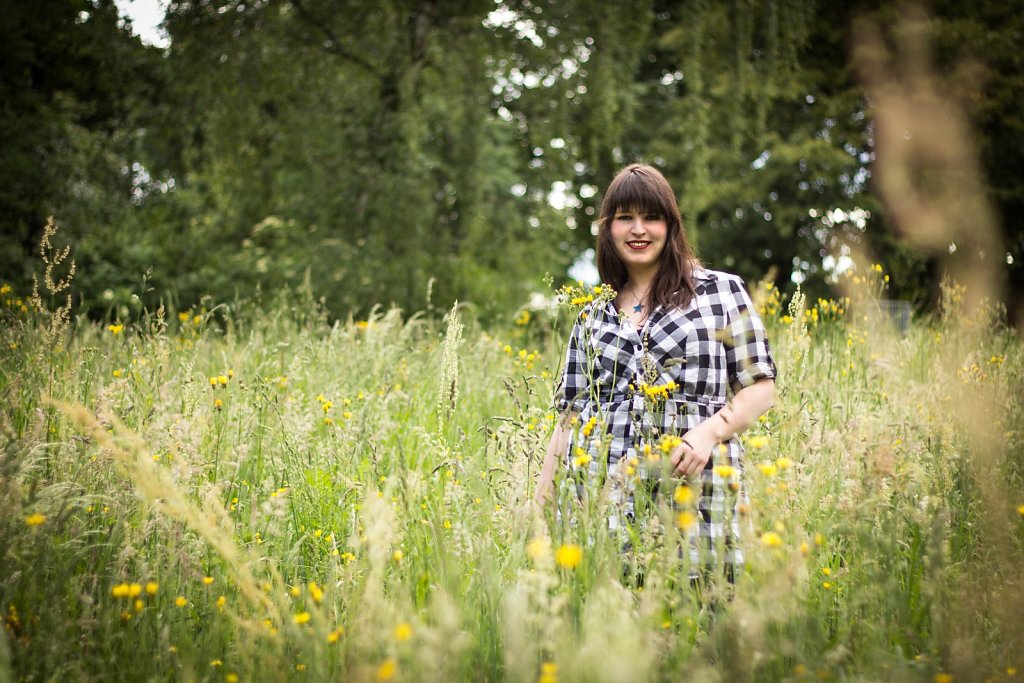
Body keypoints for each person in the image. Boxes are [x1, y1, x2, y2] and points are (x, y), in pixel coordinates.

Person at [535, 163, 776, 582]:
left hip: (700, 485)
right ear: (608, 229)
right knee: (617, 624)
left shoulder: (721, 292)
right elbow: (569, 418)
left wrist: (708, 432)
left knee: (703, 612)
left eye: (651, 217)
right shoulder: (592, 315)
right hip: (607, 496)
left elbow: (760, 388)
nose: (638, 229)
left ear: (671, 225)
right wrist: (539, 507)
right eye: (625, 217)